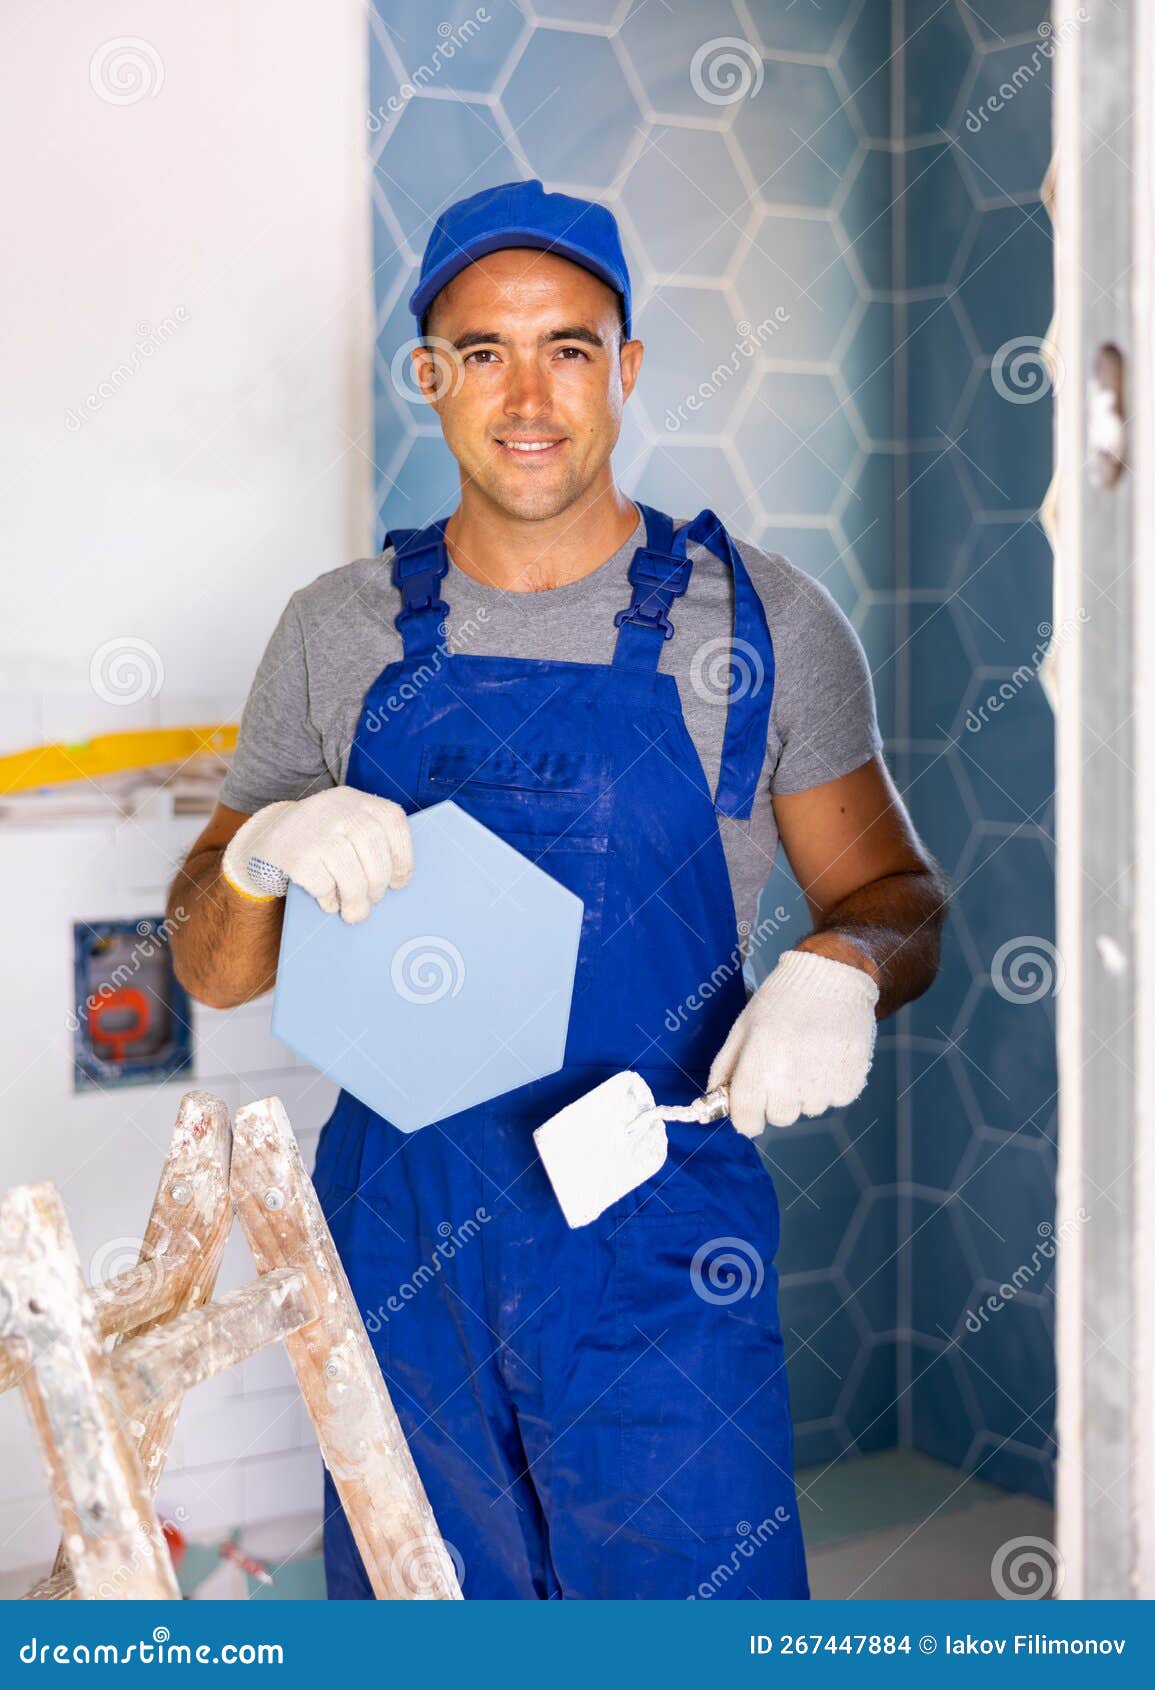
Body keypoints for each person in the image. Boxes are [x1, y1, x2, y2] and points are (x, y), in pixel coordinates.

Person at [169, 179, 947, 1601]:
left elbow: (898, 893)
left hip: (656, 1259)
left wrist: (845, 964)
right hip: (403, 1261)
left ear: (627, 368)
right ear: (429, 378)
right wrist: (257, 847)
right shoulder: (336, 629)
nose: (528, 394)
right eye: (482, 351)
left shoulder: (762, 624)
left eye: (570, 347)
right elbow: (214, 969)